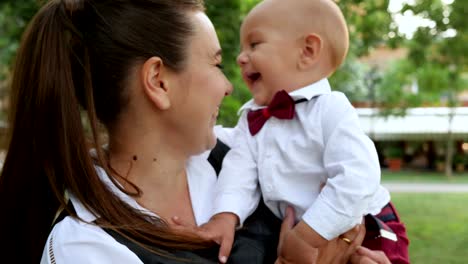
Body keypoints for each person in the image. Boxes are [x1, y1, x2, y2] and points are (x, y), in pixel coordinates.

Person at [0, 0, 389, 263]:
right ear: (159, 81)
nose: (228, 85)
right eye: (216, 63)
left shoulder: (240, 154)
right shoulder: (85, 247)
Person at [201, 0, 409, 263]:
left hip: (366, 223)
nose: (241, 57)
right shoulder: (253, 119)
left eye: (254, 45)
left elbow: (358, 178)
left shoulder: (331, 110)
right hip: (293, 231)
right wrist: (225, 215)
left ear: (307, 51)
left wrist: (307, 237)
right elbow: (238, 172)